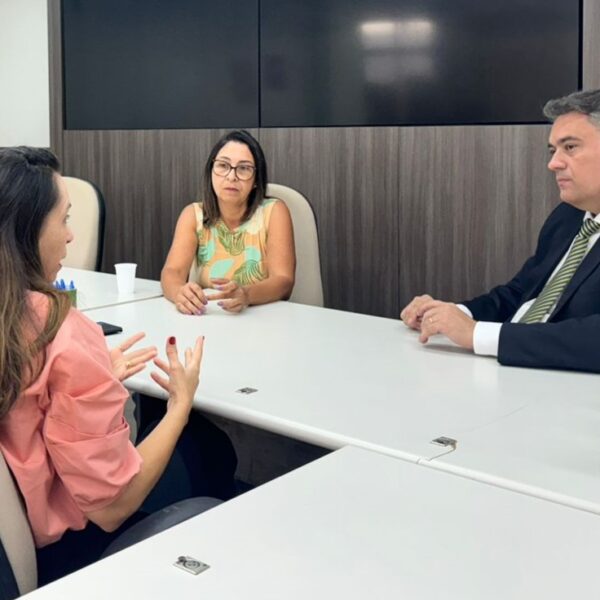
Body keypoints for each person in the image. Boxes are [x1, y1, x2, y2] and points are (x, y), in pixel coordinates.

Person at [0, 147, 224, 585]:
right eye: (63, 219)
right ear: (28, 230)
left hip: (12, 545)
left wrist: (85, 382)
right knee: (209, 451)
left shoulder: (16, 320)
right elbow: (112, 508)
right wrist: (180, 402)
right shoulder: (59, 328)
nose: (70, 237)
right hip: (61, 558)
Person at [400, 88, 600, 373]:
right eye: (553, 150)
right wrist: (452, 315)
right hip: (507, 373)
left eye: (570, 147)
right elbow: (520, 293)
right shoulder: (567, 217)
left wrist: (476, 335)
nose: (553, 163)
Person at [161, 130, 296, 314]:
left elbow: (283, 281)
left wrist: (246, 295)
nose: (232, 176)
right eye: (223, 165)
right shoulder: (193, 215)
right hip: (208, 319)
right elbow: (172, 272)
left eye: (244, 168)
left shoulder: (274, 212)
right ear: (211, 171)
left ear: (256, 180)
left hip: (263, 320)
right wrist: (179, 293)